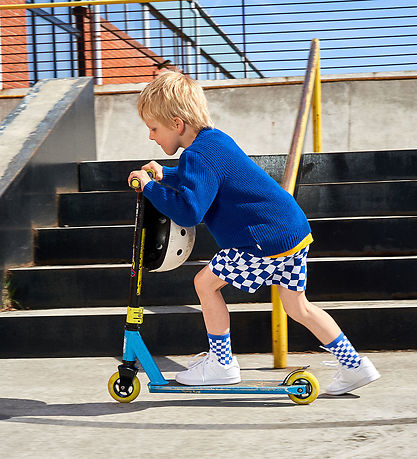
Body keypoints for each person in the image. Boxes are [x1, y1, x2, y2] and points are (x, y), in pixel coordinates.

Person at [128, 70, 380, 395]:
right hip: (291, 231)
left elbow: (189, 211)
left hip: (261, 240)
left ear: (177, 124)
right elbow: (206, 177)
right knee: (298, 307)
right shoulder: (215, 141)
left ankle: (221, 364)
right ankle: (355, 364)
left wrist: (150, 187)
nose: (151, 136)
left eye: (153, 128)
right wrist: (168, 175)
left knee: (205, 284)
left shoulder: (197, 154)